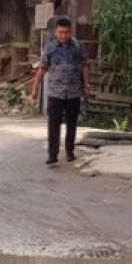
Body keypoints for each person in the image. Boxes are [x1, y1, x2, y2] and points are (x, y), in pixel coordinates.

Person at [30, 15, 90, 165]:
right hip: (55, 92)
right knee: (53, 124)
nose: (63, 35)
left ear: (71, 32)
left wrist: (87, 85)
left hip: (73, 92)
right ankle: (52, 154)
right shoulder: (50, 48)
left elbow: (84, 66)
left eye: (66, 32)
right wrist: (35, 87)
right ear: (56, 33)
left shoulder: (78, 46)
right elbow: (42, 68)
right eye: (61, 32)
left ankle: (70, 152)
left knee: (72, 123)